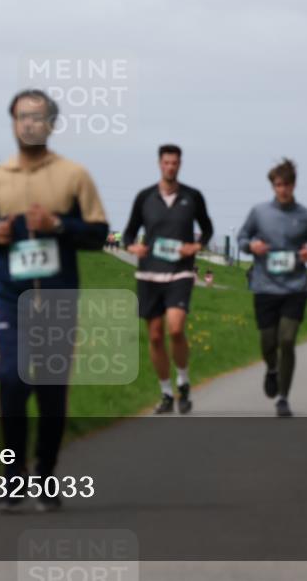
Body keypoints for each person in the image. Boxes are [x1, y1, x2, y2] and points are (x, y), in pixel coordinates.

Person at [0, 89, 108, 513]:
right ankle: (12, 477)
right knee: (12, 379)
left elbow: (99, 233)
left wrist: (58, 225)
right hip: (11, 296)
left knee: (50, 391)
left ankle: (45, 474)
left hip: (56, 296)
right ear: (12, 123)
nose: (29, 124)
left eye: (37, 117)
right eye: (21, 117)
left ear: (51, 124)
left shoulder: (74, 176)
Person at [123, 144, 213, 415]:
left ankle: (183, 382)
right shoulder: (145, 197)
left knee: (175, 328)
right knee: (154, 336)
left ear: (180, 164)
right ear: (159, 164)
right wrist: (132, 247)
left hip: (180, 271)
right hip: (150, 272)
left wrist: (196, 247)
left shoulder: (193, 197)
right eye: (166, 162)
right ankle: (165, 393)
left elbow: (207, 229)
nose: (170, 167)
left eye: (175, 163)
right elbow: (129, 233)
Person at [238, 158, 307, 417]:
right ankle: (272, 369)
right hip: (265, 286)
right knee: (268, 342)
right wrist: (250, 247)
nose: (283, 189)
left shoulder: (306, 216)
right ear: (273, 186)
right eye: (278, 185)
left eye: (287, 184)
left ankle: (284, 398)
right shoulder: (259, 212)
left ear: (294, 185)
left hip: (295, 287)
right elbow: (243, 237)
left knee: (286, 340)